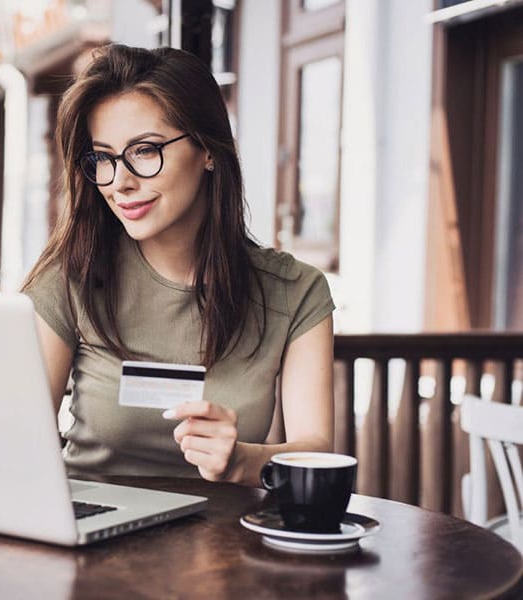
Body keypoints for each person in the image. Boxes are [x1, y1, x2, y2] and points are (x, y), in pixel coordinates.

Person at [21, 44, 335, 487]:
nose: (120, 182)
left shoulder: (296, 291)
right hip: (92, 539)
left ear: (208, 150)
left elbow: (316, 450)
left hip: (224, 543)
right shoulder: (71, 277)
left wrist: (242, 461)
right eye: (103, 159)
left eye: (145, 151)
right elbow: (19, 439)